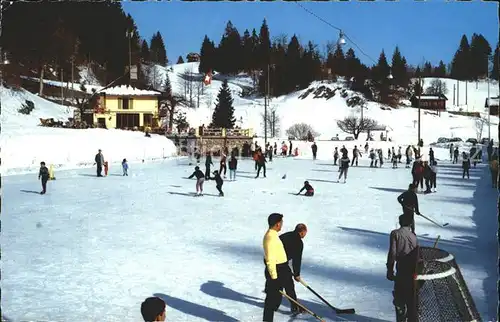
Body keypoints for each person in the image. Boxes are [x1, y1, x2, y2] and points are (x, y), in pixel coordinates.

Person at [386, 214, 420, 322]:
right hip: (413, 271)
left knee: (399, 298)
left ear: (400, 222)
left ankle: (401, 318)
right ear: (410, 223)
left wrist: (390, 269)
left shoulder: (395, 233)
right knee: (411, 299)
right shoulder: (413, 236)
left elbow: (392, 253)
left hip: (402, 269)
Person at [263, 213, 289, 322]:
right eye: (281, 223)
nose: (282, 225)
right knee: (271, 298)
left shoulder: (273, 235)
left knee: (276, 296)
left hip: (280, 269)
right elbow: (270, 259)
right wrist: (274, 277)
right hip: (275, 271)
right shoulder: (270, 237)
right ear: (277, 224)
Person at [279, 224, 308, 315]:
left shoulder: (285, 235)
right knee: (289, 285)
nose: (305, 235)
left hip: (272, 261)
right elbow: (296, 260)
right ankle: (295, 307)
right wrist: (296, 274)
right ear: (302, 232)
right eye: (305, 233)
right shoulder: (298, 243)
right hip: (280, 263)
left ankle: (273, 304)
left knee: (277, 284)